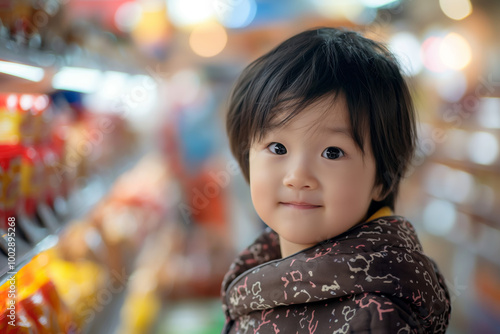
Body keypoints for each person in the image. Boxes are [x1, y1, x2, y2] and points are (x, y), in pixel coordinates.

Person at [221, 27, 451, 333]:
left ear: (383, 178)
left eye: (332, 152)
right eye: (278, 148)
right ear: (246, 156)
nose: (298, 177)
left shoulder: (375, 317)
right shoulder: (264, 259)